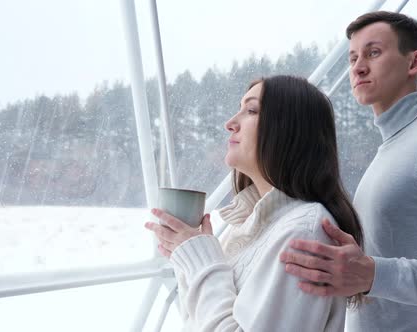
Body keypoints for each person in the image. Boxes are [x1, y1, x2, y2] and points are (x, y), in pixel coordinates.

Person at [279, 11, 417, 332]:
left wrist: (371, 274)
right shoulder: (389, 152)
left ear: (415, 62)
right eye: (353, 57)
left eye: (373, 52)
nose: (357, 66)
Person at [145, 75, 364, 331]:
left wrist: (202, 260)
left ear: (288, 129)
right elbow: (201, 321)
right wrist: (188, 256)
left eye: (251, 110)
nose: (230, 123)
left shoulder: (303, 232)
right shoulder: (252, 225)